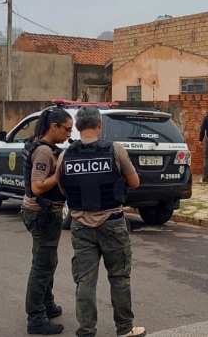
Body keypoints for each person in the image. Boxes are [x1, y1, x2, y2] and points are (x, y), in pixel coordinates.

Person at [54, 105, 145, 337]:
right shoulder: (114, 149)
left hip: (80, 225)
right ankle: (125, 329)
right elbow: (134, 182)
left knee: (85, 280)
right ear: (99, 125)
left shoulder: (65, 155)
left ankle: (86, 331)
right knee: (119, 277)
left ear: (77, 127)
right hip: (112, 221)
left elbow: (63, 188)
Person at [22, 107, 73, 335]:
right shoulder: (43, 151)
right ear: (54, 127)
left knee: (47, 261)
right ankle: (36, 318)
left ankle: (47, 304)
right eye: (67, 130)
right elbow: (37, 186)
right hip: (42, 214)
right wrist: (59, 174)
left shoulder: (44, 146)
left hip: (43, 213)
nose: (68, 135)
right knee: (42, 267)